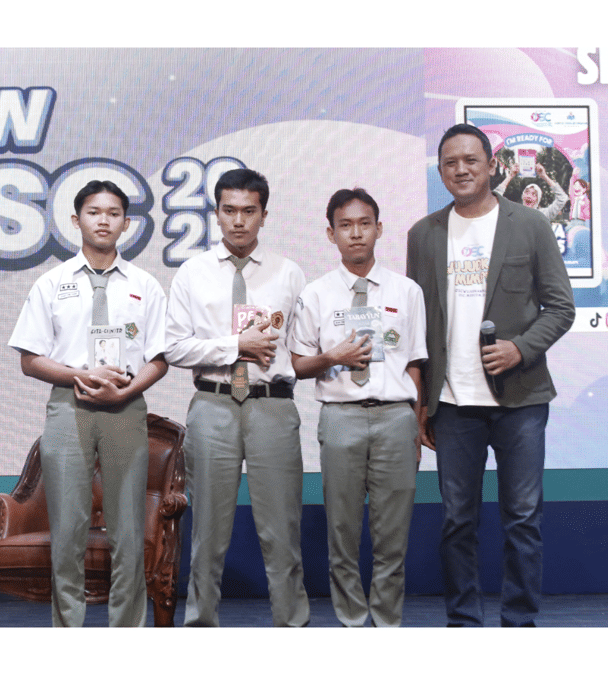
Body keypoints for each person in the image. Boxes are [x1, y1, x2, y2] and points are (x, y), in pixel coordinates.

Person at [406, 124, 574, 627]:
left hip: (521, 400)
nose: (461, 169)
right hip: (452, 403)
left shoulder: (530, 224)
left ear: (492, 166)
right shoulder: (424, 234)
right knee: (457, 521)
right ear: (440, 170)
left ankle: (518, 624)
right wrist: (421, 402)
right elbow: (418, 326)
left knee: (522, 519)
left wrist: (521, 348)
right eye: (450, 162)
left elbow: (561, 308)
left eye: (471, 160)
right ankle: (464, 623)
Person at [8, 180, 168, 627]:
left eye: (113, 213)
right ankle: (68, 631)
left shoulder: (145, 285)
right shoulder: (51, 283)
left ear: (127, 223)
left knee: (128, 529)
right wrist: (81, 375)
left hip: (126, 407)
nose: (103, 221)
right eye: (94, 212)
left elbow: (159, 359)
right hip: (69, 406)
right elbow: (29, 360)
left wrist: (126, 390)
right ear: (76, 220)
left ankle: (127, 631)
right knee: (67, 530)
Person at [165, 168, 309, 627]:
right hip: (213, 403)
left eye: (249, 211)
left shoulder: (289, 273)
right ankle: (201, 626)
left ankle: (292, 626)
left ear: (264, 214)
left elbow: (301, 348)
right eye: (229, 210)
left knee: (281, 530)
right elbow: (174, 348)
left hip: (273, 404)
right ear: (217, 213)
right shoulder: (193, 272)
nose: (239, 221)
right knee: (207, 532)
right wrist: (235, 346)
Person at [288, 188, 427, 627]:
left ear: (379, 229)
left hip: (396, 417)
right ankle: (351, 621)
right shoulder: (316, 294)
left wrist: (416, 426)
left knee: (392, 535)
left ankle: (386, 623)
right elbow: (297, 365)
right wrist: (334, 357)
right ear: (331, 234)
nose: (356, 233)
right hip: (341, 417)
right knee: (342, 531)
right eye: (345, 225)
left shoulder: (407, 291)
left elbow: (416, 364)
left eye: (364, 223)